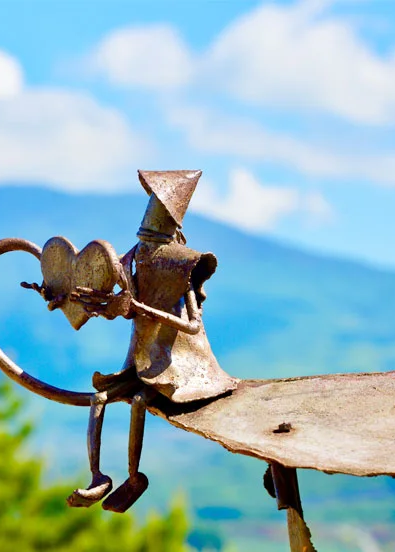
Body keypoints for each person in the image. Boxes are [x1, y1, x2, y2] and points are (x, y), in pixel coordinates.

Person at [31, 170, 237, 513]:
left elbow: (190, 325)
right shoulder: (135, 254)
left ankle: (132, 475)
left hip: (175, 363)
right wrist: (63, 296)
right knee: (100, 397)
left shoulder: (182, 264)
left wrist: (137, 307)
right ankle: (98, 475)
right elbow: (113, 297)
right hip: (140, 356)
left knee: (140, 400)